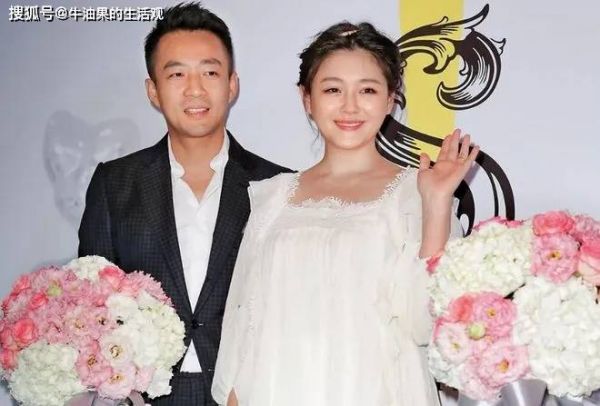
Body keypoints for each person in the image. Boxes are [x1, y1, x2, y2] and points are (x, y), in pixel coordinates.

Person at [212, 21, 478, 406]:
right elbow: (243, 322)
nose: (350, 106)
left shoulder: (418, 194)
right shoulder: (273, 197)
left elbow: (426, 324)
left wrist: (436, 204)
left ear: (390, 99)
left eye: (367, 90)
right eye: (333, 89)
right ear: (307, 98)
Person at [78, 3, 289, 405]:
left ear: (232, 85)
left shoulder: (278, 186)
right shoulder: (115, 184)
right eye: (177, 74)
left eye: (210, 72)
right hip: (145, 396)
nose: (195, 89)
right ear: (153, 91)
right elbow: (91, 307)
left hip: (248, 393)